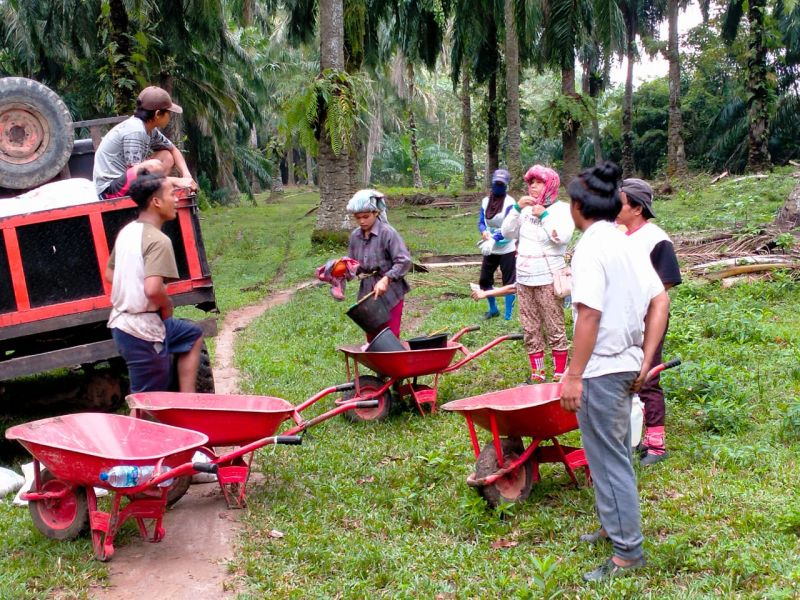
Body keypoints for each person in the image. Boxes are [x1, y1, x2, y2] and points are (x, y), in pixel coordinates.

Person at [560, 162, 669, 582]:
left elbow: (589, 314)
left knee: (610, 460)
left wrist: (573, 375)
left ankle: (627, 553)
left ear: (577, 206)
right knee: (613, 454)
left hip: (602, 370)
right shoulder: (625, 242)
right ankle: (613, 525)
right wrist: (646, 357)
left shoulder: (591, 247)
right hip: (626, 364)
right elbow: (660, 300)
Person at [105, 170, 204, 393]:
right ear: (157, 202)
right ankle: (140, 426)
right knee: (148, 403)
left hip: (122, 324)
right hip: (142, 329)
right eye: (172, 194)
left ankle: (187, 404)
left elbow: (110, 275)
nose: (177, 199)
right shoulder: (159, 241)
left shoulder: (127, 232)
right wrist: (167, 304)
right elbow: (152, 290)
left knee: (192, 334)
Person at [616, 178, 682, 466]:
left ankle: (657, 444)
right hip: (621, 320)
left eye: (619, 203)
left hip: (647, 319)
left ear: (637, 208)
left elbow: (666, 282)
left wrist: (639, 302)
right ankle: (633, 436)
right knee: (625, 376)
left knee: (648, 376)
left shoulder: (656, 238)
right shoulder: (617, 236)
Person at [501, 165, 574, 383]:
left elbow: (561, 237)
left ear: (550, 184)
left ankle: (560, 374)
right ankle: (538, 374)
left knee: (554, 326)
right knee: (530, 326)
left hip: (548, 277)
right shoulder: (524, 210)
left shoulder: (562, 209)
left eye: (538, 182)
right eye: (530, 183)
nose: (533, 187)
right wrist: (515, 209)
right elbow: (506, 233)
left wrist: (544, 215)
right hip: (524, 278)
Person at [93, 86, 197, 199]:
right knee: (153, 165)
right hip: (110, 190)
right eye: (168, 113)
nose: (170, 116)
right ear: (158, 114)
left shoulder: (150, 129)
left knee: (167, 156)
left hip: (127, 181)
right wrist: (176, 181)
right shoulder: (135, 131)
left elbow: (173, 149)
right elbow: (139, 177)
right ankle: (156, 192)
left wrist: (187, 176)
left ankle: (156, 191)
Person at [347, 189, 412, 340]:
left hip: (391, 292)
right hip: (368, 294)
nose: (362, 221)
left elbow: (404, 260)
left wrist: (386, 279)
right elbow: (353, 264)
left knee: (390, 336)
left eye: (366, 216)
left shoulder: (388, 233)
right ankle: (377, 364)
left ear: (376, 213)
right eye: (358, 218)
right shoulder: (355, 236)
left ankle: (393, 363)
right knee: (373, 338)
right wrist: (341, 270)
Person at [477, 169, 516, 320]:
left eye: (501, 184)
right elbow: (481, 222)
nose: (498, 187)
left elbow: (508, 227)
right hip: (490, 248)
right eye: (496, 184)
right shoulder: (486, 202)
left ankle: (508, 315)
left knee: (509, 282)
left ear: (506, 186)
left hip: (507, 247)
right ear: (492, 183)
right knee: (485, 279)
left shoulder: (510, 203)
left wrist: (495, 238)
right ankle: (493, 309)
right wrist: (484, 232)